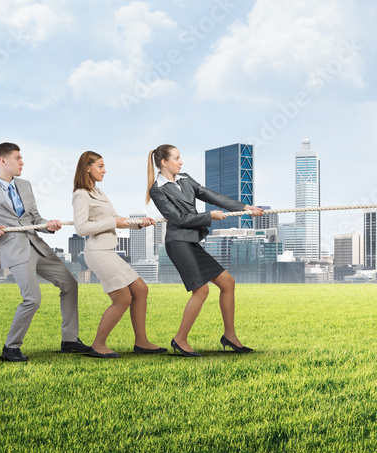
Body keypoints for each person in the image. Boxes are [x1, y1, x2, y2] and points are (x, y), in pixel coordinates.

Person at [0, 142, 91, 361]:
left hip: (37, 246)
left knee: (70, 284)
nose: (22, 162)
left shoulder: (25, 185)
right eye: (18, 158)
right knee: (32, 299)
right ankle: (11, 347)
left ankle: (70, 340)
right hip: (14, 250)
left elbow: (34, 219)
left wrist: (48, 225)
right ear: (3, 161)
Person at [146, 144, 264, 356]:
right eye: (177, 158)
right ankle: (179, 340)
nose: (181, 162)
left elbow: (209, 195)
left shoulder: (185, 179)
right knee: (201, 290)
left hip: (191, 241)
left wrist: (243, 208)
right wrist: (209, 217)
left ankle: (230, 336)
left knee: (227, 282)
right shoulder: (157, 190)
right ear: (164, 162)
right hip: (178, 243)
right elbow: (179, 219)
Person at [72, 151, 166, 358]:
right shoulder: (81, 194)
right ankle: (98, 345)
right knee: (122, 298)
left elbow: (114, 217)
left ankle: (141, 342)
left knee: (140, 289)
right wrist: (113, 223)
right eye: (100, 166)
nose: (105, 170)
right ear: (88, 168)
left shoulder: (98, 192)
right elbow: (81, 228)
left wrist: (139, 223)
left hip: (108, 250)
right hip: (97, 252)